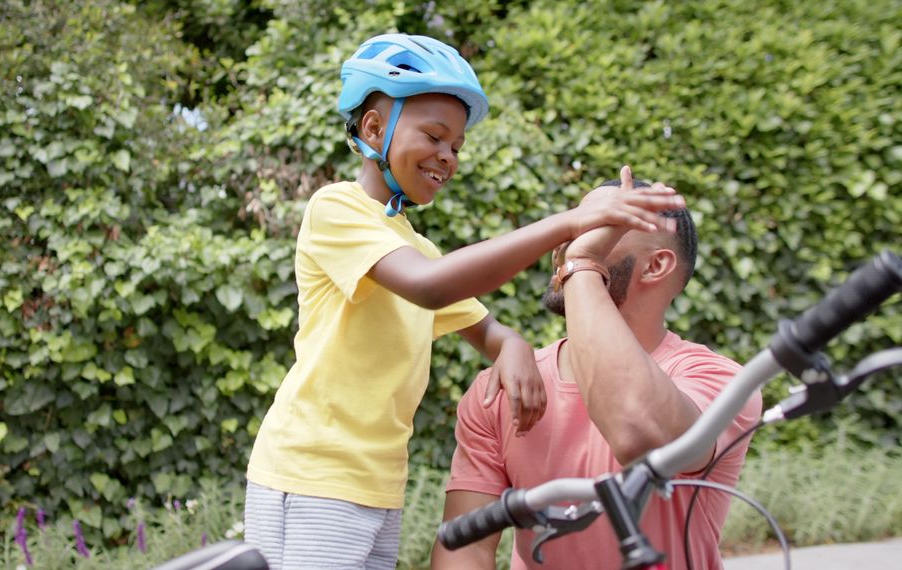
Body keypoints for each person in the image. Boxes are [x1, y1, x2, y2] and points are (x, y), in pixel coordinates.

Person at [244, 33, 685, 570]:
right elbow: (434, 287)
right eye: (434, 136)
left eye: (456, 146)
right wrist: (569, 224)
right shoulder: (335, 209)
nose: (447, 157)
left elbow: (480, 324)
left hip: (377, 485)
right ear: (374, 128)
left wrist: (511, 344)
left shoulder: (415, 247)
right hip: (313, 473)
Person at [430, 170, 763, 570]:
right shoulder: (501, 387)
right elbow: (465, 547)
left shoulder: (718, 380)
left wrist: (582, 264)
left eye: (602, 225)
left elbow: (637, 433)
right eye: (576, 222)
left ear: (655, 266)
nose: (566, 242)